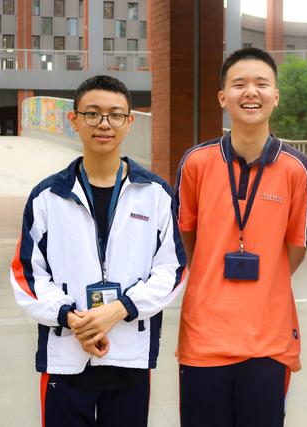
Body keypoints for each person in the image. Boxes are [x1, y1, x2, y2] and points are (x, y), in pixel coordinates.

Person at [10, 75, 187, 427]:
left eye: (115, 115)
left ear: (129, 122)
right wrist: (71, 318)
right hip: (66, 352)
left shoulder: (155, 194)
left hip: (129, 356)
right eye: (92, 114)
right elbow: (27, 275)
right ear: (74, 120)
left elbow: (173, 269)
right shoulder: (47, 196)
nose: (104, 124)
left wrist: (119, 311)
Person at [174, 47, 307, 427]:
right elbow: (188, 236)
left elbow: (295, 249)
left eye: (261, 84)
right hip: (203, 339)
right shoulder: (197, 163)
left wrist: (265, 282)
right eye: (239, 84)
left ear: (275, 96)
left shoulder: (297, 169)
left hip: (268, 341)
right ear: (223, 98)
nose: (250, 92)